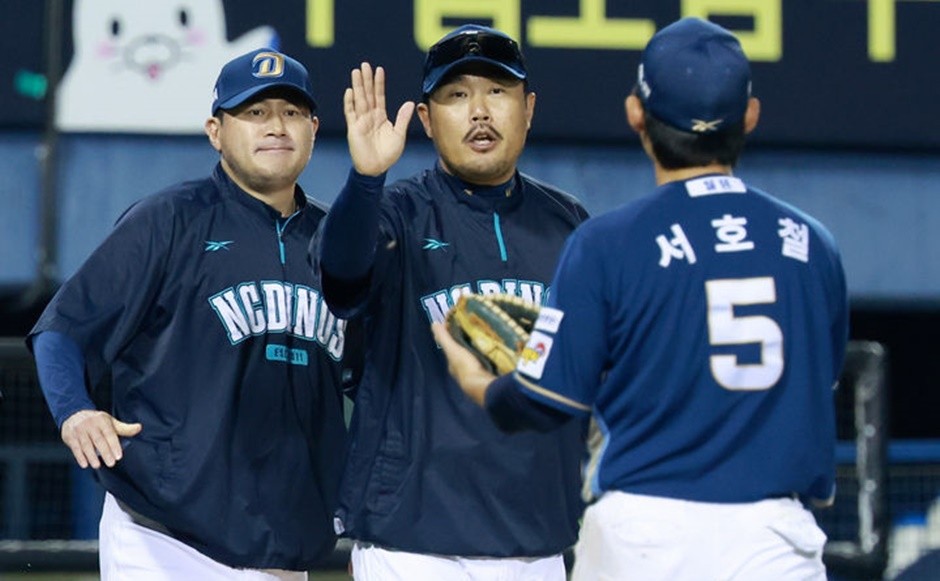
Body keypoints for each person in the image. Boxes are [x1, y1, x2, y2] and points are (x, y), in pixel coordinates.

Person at [433, 17, 849, 580]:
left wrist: (482, 385)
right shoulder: (811, 245)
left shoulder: (609, 243)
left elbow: (543, 401)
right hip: (772, 539)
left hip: (647, 535)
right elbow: (820, 382)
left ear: (636, 114)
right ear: (749, 116)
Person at [27, 48, 349, 580]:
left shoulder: (336, 243)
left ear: (313, 129)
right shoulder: (169, 220)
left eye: (291, 112)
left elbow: (378, 372)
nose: (276, 126)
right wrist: (75, 411)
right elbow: (64, 329)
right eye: (255, 112)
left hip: (282, 545)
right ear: (215, 132)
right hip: (162, 538)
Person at [314, 24, 589, 580]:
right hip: (413, 543)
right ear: (426, 118)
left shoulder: (569, 226)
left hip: (536, 542)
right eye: (457, 95)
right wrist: (366, 181)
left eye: (497, 92)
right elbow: (339, 273)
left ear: (528, 109)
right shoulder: (394, 214)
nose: (479, 112)